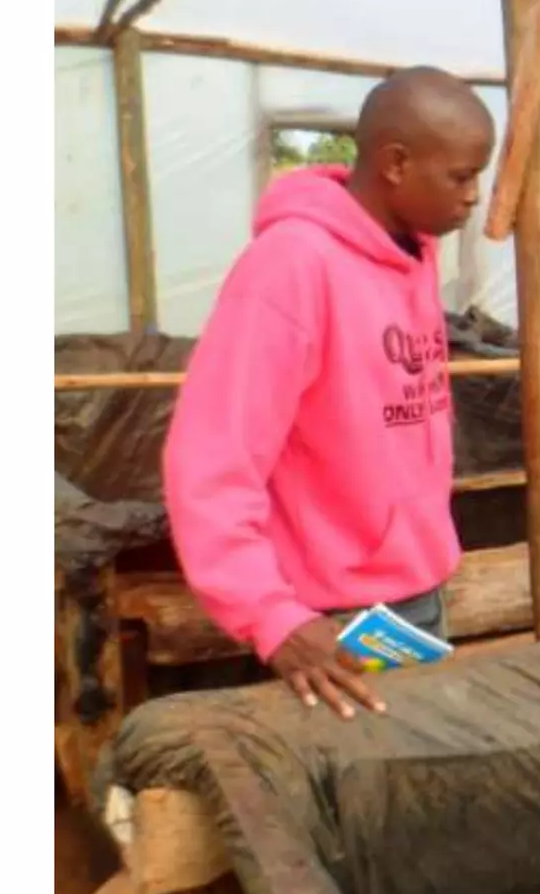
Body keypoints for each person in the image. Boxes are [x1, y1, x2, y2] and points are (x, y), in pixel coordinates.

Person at [162, 67, 495, 719]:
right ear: (396, 163)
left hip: (410, 599)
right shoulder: (291, 266)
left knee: (415, 793)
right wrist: (272, 617)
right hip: (325, 622)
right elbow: (209, 459)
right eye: (460, 176)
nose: (473, 197)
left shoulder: (411, 255)